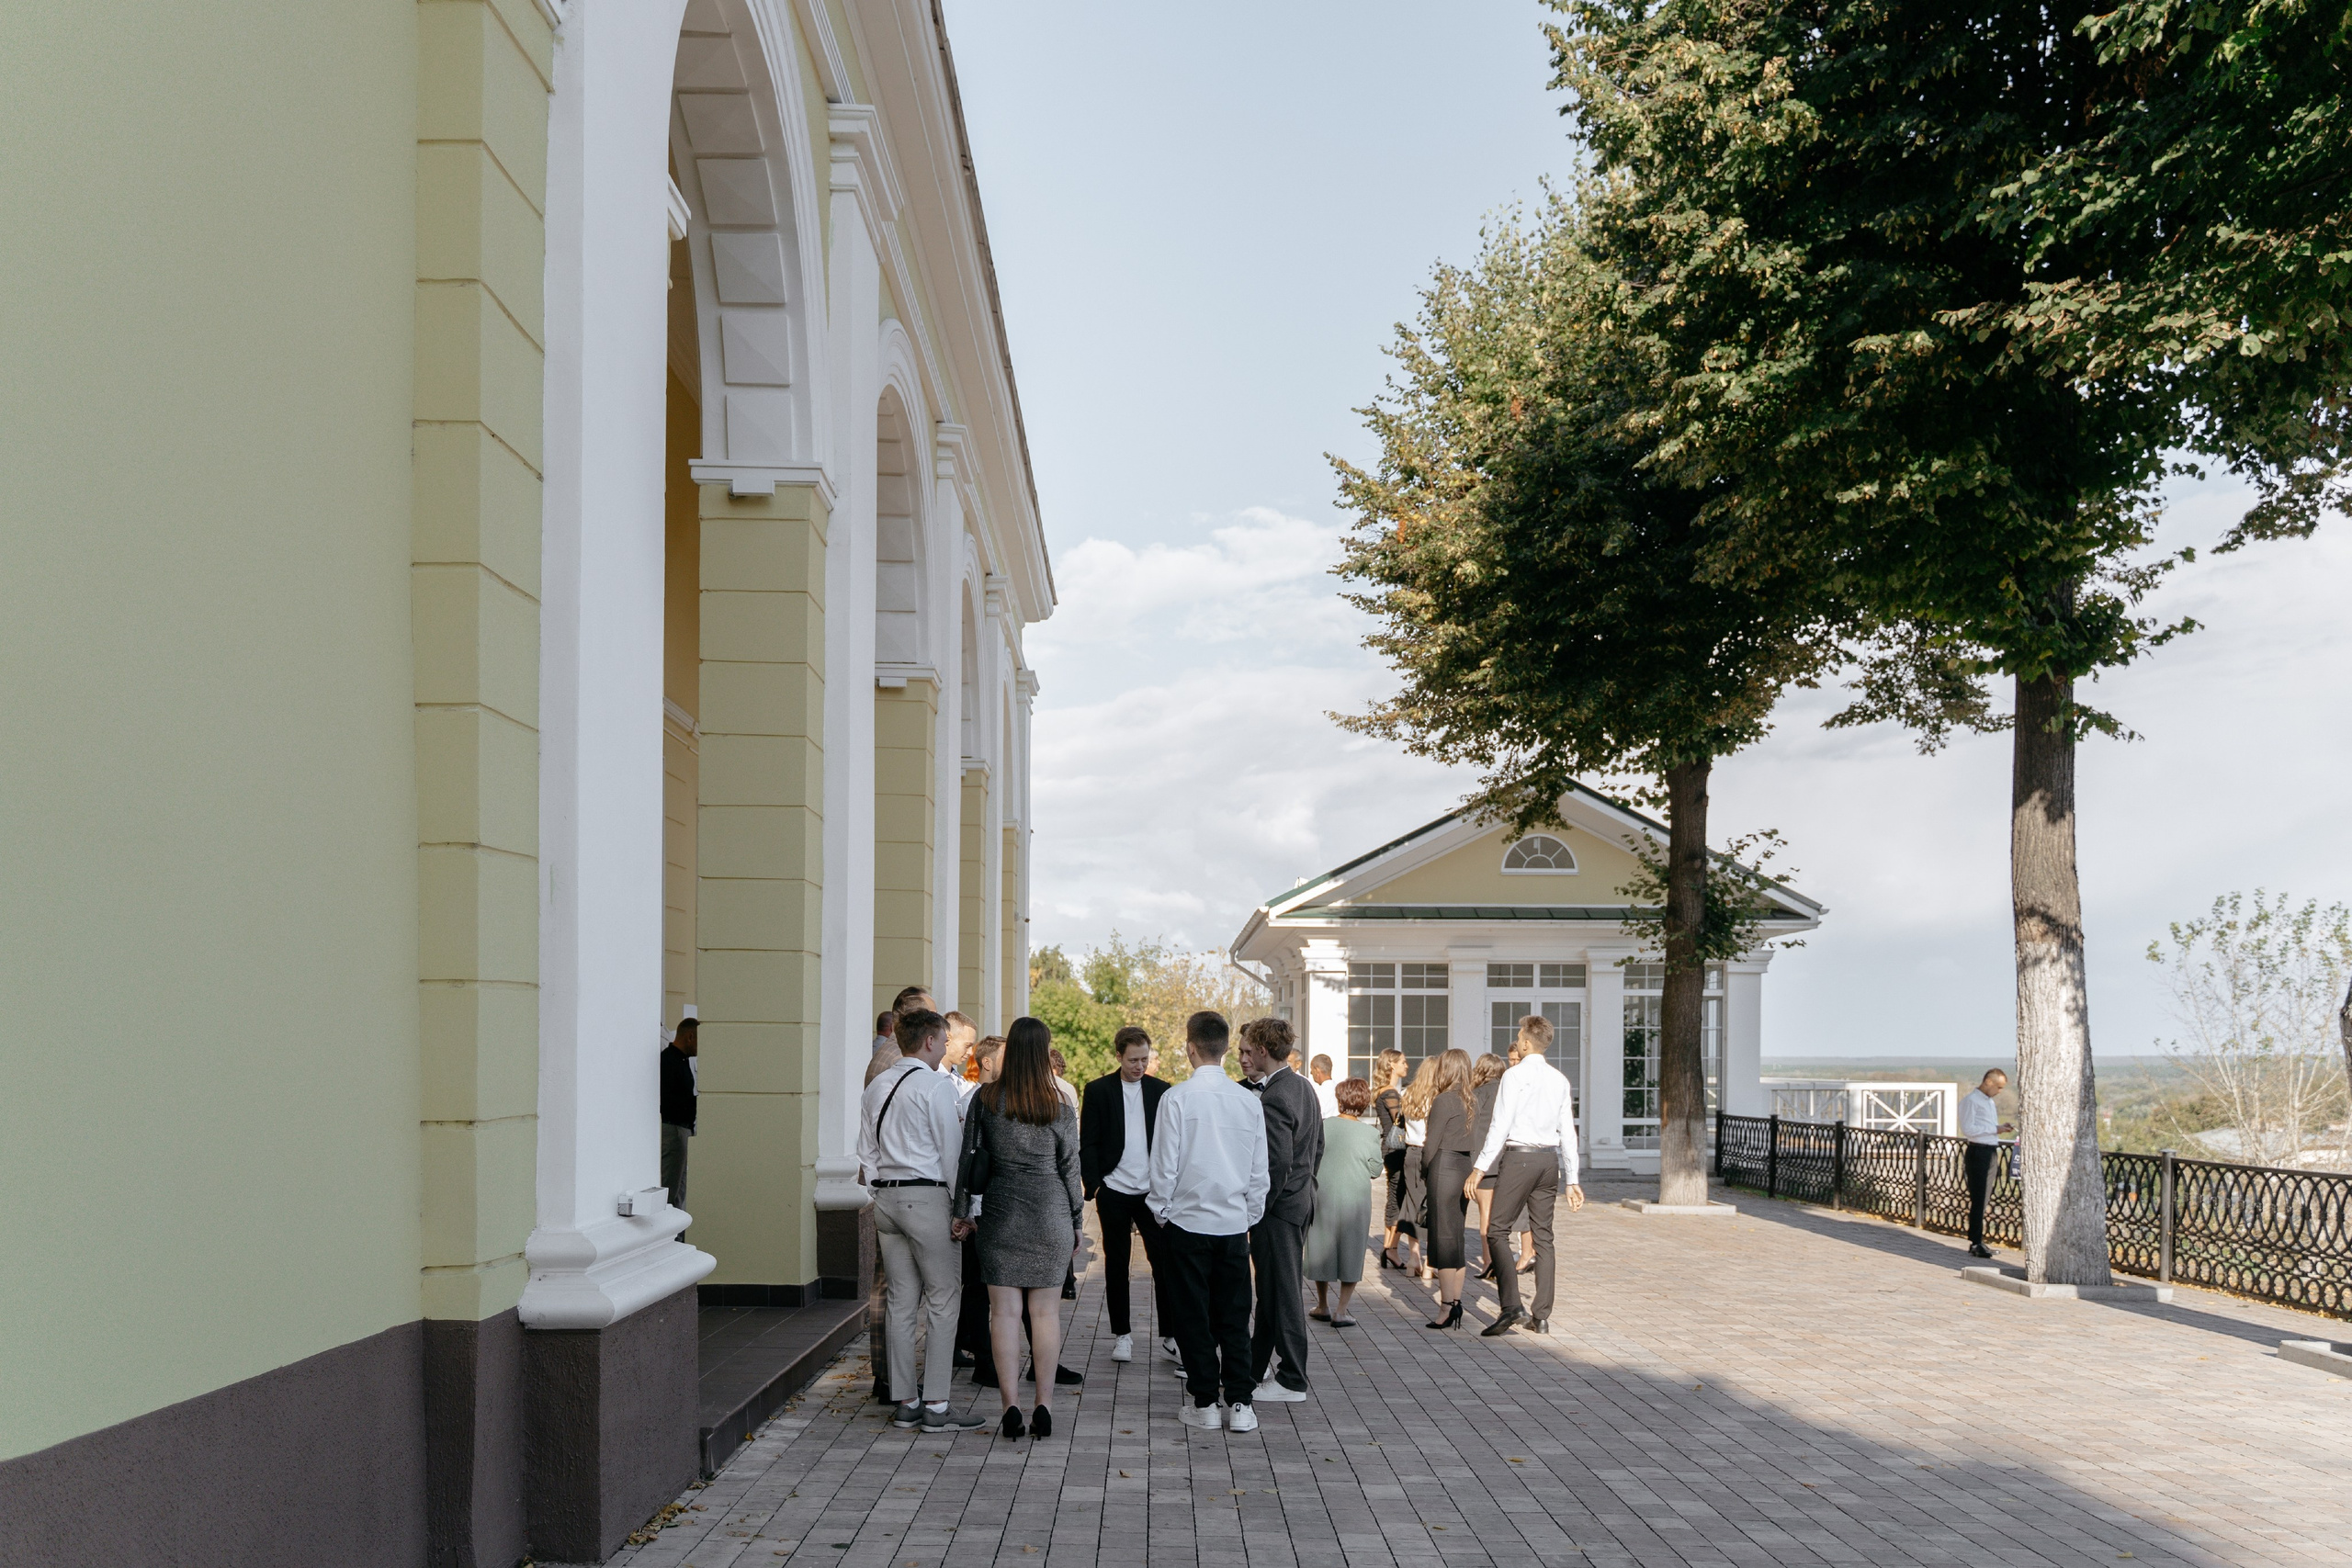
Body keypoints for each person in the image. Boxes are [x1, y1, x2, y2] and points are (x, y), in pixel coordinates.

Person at [856, 1009, 989, 1433]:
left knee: (900, 1301)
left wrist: (879, 1191)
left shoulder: (878, 1085)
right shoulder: (935, 1087)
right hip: (928, 1195)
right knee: (944, 1298)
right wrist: (964, 1210)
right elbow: (953, 1155)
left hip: (887, 1200)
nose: (948, 1047)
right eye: (945, 1040)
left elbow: (866, 1152)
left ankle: (905, 1401)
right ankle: (936, 1404)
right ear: (931, 1041)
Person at [953, 1016, 1083, 1441]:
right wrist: (1077, 1221)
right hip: (1050, 1215)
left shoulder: (986, 1099)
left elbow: (968, 1160)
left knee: (1004, 1314)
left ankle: (1010, 1407)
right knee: (1044, 1315)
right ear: (1044, 1051)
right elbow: (1070, 1169)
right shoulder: (1059, 1104)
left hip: (1001, 1216)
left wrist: (960, 1212)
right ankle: (1043, 1405)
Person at [1148, 1010, 1269, 1433]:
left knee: (1192, 1316)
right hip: (1233, 1223)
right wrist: (1248, 1215)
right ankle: (1240, 1402)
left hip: (1186, 1221)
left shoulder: (1177, 1098)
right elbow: (1260, 1172)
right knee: (1235, 1315)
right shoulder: (1248, 1101)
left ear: (1190, 1047)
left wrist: (1161, 1211)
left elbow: (1163, 1166)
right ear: (1224, 1048)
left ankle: (1204, 1403)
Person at [1464, 1014, 1583, 1337]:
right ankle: (1541, 1315)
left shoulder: (1514, 1077)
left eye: (1518, 1036)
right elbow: (1568, 1132)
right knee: (1544, 1236)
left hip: (1520, 1159)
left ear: (1527, 1042)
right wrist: (1572, 1178)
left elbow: (1499, 1126)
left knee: (1496, 1230)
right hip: (1549, 1161)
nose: (1516, 1040)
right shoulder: (1559, 1079)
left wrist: (1479, 1167)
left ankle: (1511, 1305)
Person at [1237, 1017, 1321, 1405]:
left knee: (1283, 1291)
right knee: (1271, 1290)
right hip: (1299, 1201)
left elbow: (1275, 1163)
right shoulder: (1303, 1086)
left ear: (1264, 1051)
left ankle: (1292, 1377)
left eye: (1250, 1049)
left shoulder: (1275, 1095)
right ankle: (1254, 1370)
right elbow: (1316, 1149)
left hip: (1278, 1209)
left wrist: (1257, 1209)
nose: (1246, 1056)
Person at [1080, 1025, 1173, 1364]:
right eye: (1133, 1059)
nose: (1139, 1066)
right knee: (1116, 1265)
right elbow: (1087, 1142)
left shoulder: (1162, 1091)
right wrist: (1096, 1184)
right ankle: (1122, 1335)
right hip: (1114, 1190)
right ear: (1118, 1056)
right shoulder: (1098, 1090)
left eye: (1145, 1059)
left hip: (1152, 1193)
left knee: (1164, 1263)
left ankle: (1171, 1335)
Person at [1304, 1077, 1383, 1326]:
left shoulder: (1324, 1126)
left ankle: (1323, 1304)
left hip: (1323, 1193)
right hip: (1355, 1198)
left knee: (1321, 1247)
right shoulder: (1370, 1133)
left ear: (1339, 1099)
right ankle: (1341, 1310)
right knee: (1352, 1249)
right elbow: (1376, 1169)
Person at [1415, 1048, 1479, 1330]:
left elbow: (1431, 1144)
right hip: (1464, 1167)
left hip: (1443, 1168)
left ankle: (1446, 1306)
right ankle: (1455, 1302)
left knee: (1442, 1239)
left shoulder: (1443, 1100)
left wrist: (1424, 1171)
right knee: (1456, 1237)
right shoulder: (1471, 1100)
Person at [1468, 1051, 1532, 1279]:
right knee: (1504, 1214)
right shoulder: (1511, 1091)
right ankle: (1513, 1256)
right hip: (1509, 1160)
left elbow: (1471, 1129)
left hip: (1484, 1163)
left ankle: (1489, 1262)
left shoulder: (1476, 1094)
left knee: (1486, 1213)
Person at [1960, 1068, 2013, 1258]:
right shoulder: (1971, 1101)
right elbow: (1968, 1129)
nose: (1999, 1091)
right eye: (1998, 1087)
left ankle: (1978, 1240)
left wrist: (1998, 1129)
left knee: (1985, 1198)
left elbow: (1985, 1127)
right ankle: (1975, 1242)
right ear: (1988, 1082)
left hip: (1989, 1150)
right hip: (1978, 1151)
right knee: (1979, 1198)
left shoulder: (1988, 1102)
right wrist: (1995, 1129)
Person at [1395, 1056, 1440, 1279]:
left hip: (1411, 1152)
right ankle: (1431, 1263)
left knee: (1412, 1202)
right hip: (1431, 1153)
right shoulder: (1437, 1097)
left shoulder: (1407, 1094)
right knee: (1432, 1205)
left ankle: (1414, 1258)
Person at [1372, 1050, 1411, 1270]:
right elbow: (1400, 1123)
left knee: (1395, 1195)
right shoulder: (1390, 1093)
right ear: (1392, 1065)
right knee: (1397, 1196)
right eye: (1403, 1062)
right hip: (1396, 1149)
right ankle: (1391, 1248)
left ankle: (1390, 1247)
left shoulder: (1385, 1091)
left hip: (1390, 1148)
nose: (1407, 1066)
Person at [1308, 1055, 1340, 1120]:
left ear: (1317, 1071)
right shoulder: (1340, 1090)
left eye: (1311, 1069)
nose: (1311, 1073)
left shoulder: (1318, 1094)